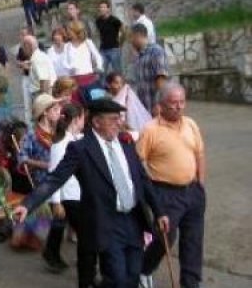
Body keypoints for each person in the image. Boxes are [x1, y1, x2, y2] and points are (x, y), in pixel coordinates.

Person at [13, 98, 170, 288]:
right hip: (106, 223)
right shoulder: (81, 149)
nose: (119, 123)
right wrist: (27, 204)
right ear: (96, 122)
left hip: (133, 221)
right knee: (117, 278)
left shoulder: (126, 145)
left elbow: (143, 180)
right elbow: (55, 179)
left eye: (120, 118)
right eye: (113, 119)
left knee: (133, 275)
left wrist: (159, 211)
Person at [137, 84, 206, 288]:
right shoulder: (150, 129)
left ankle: (191, 283)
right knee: (164, 238)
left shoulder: (191, 124)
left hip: (193, 191)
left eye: (182, 102)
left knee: (193, 241)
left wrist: (200, 184)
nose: (178, 107)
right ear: (160, 105)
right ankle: (143, 269)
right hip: (165, 192)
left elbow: (200, 154)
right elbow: (138, 162)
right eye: (173, 103)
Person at [42, 104, 98, 287]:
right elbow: (55, 175)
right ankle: (87, 277)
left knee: (87, 238)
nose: (85, 121)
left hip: (79, 196)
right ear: (76, 120)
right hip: (70, 198)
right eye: (83, 118)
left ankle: (85, 272)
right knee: (87, 239)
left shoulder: (74, 138)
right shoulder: (61, 145)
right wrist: (56, 202)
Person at [13, 94, 62, 251]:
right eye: (55, 109)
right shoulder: (32, 135)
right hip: (42, 180)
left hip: (62, 177)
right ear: (45, 112)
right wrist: (43, 165)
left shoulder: (60, 133)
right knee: (43, 211)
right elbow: (22, 158)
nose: (59, 112)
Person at [130, 23, 169, 112]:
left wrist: (159, 104)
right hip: (144, 109)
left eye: (131, 37)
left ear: (138, 35)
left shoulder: (156, 51)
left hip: (155, 108)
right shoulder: (139, 57)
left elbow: (161, 78)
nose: (131, 41)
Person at [66, 21, 103, 87]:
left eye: (69, 30)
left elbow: (97, 56)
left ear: (76, 31)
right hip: (73, 78)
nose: (68, 32)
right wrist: (70, 67)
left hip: (88, 76)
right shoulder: (67, 46)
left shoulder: (87, 42)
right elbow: (64, 61)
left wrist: (98, 69)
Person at [21, 35, 57, 101]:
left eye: (23, 46)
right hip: (41, 92)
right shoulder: (37, 57)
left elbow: (44, 80)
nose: (23, 49)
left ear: (28, 46)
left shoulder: (37, 58)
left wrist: (43, 100)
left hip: (43, 93)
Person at [95, 1, 124, 74]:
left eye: (104, 7)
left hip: (114, 49)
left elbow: (123, 31)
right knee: (101, 71)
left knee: (117, 72)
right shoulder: (98, 21)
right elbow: (99, 33)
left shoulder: (114, 20)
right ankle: (102, 85)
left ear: (108, 9)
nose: (102, 9)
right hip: (103, 50)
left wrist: (120, 44)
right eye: (101, 7)